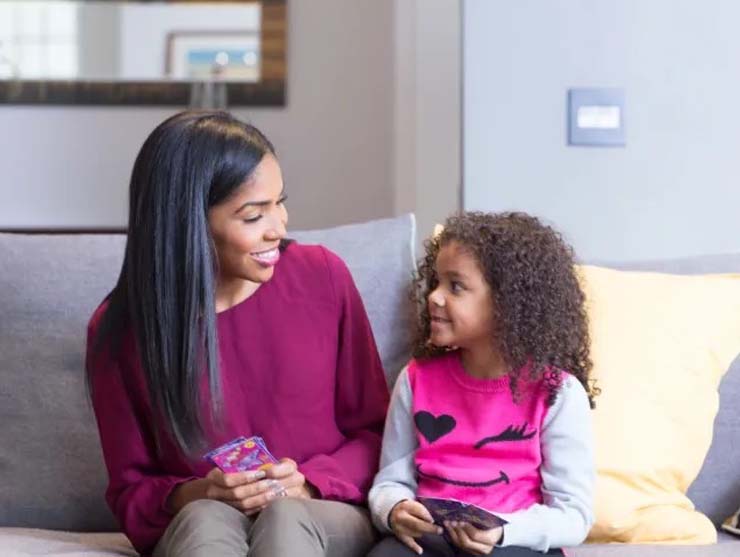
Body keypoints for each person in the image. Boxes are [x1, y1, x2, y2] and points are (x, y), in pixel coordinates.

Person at [86, 110, 390, 557]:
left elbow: (378, 432)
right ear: (188, 224)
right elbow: (131, 491)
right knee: (205, 520)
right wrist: (201, 492)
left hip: (323, 509)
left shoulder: (322, 276)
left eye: (279, 202)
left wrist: (307, 481)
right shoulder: (121, 332)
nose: (279, 227)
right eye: (253, 216)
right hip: (205, 519)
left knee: (284, 517)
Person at [368, 212, 597, 557]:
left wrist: (504, 532)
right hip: (433, 540)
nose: (434, 297)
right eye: (436, 282)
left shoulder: (557, 393)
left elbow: (573, 514)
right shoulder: (417, 378)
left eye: (455, 286)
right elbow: (390, 480)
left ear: (507, 303)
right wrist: (394, 508)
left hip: (513, 541)